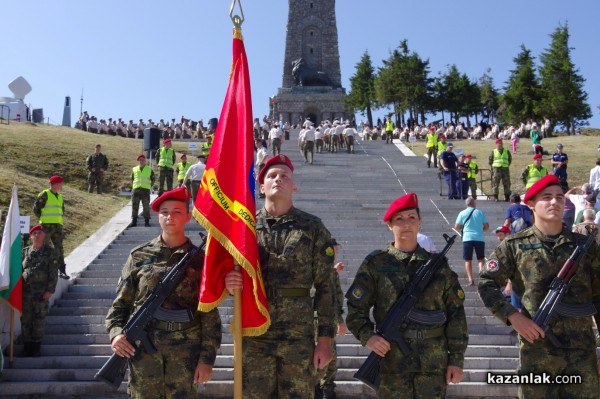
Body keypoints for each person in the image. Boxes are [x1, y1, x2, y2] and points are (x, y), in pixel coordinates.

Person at [223, 154, 336, 398]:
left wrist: (325, 340)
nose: (278, 180)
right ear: (261, 187)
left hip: (297, 335)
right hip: (254, 332)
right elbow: (223, 270)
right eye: (271, 176)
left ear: (294, 186)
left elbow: (327, 286)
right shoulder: (243, 226)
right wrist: (227, 283)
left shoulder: (313, 227)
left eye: (285, 176)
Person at [478, 175, 600, 398]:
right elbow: (486, 283)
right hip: (536, 352)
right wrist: (513, 317)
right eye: (547, 197)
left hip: (582, 354)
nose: (554, 202)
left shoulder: (585, 247)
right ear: (531, 204)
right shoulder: (514, 246)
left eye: (559, 197)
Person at [345, 193, 468, 398]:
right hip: (392, 361)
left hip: (433, 363)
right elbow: (355, 310)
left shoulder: (438, 267)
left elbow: (456, 313)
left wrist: (456, 360)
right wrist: (369, 337)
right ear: (390, 225)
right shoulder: (376, 263)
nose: (406, 224)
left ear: (420, 223)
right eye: (399, 219)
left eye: (412, 218)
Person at [105, 187, 222, 398]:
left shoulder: (200, 259)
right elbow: (120, 304)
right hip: (143, 352)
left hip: (186, 353)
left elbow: (210, 313)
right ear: (158, 217)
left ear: (188, 216)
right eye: (165, 212)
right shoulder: (139, 255)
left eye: (177, 211)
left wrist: (207, 359)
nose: (170, 217)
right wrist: (116, 335)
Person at [20, 224, 60, 357]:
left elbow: (53, 273)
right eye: (34, 233)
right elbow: (19, 270)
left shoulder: (50, 252)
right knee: (25, 320)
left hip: (41, 293)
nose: (37, 235)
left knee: (38, 320)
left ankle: (36, 348)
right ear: (31, 236)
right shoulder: (25, 252)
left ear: (44, 236)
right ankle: (27, 347)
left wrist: (50, 291)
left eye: (40, 233)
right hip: (26, 293)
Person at [315, 239, 347, 399]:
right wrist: (338, 320)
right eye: (332, 250)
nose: (335, 252)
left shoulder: (329, 271)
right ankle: (320, 391)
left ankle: (326, 391)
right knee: (326, 359)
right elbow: (328, 299)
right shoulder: (322, 271)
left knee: (330, 361)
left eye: (335, 250)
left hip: (328, 319)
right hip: (323, 321)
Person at [33, 175, 69, 280]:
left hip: (57, 226)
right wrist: (43, 220)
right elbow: (36, 209)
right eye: (61, 183)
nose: (62, 185)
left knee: (59, 249)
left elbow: (61, 210)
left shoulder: (60, 196)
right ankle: (41, 271)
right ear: (56, 184)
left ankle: (62, 271)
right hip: (46, 226)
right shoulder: (45, 194)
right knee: (44, 248)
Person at [453, 197, 489, 285]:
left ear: (467, 204)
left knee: (468, 260)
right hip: (479, 238)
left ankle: (470, 279)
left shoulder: (462, 213)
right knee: (481, 259)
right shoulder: (480, 212)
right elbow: (487, 226)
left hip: (467, 238)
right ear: (474, 203)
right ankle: (481, 277)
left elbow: (457, 226)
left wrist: (464, 227)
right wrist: (481, 229)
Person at [130, 154, 155, 228]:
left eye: (143, 160)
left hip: (145, 191)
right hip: (136, 190)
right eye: (140, 160)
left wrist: (148, 186)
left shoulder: (149, 169)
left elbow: (153, 179)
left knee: (146, 207)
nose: (141, 161)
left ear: (145, 161)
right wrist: (134, 186)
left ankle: (146, 222)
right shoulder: (134, 169)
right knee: (135, 206)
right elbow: (132, 178)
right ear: (138, 161)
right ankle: (134, 221)